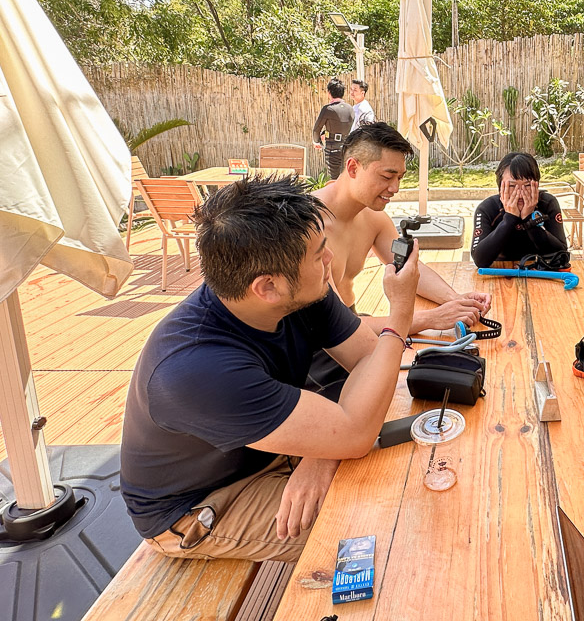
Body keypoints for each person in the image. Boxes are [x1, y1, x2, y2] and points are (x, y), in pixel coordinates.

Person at [119, 176, 420, 563]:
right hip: (198, 503)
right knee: (369, 531)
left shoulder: (300, 288)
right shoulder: (196, 369)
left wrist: (321, 452)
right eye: (319, 255)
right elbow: (357, 429)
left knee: (400, 474)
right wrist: (401, 314)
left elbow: (366, 357)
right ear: (267, 288)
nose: (331, 260)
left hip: (264, 448)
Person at [308, 122, 491, 394]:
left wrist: (455, 300)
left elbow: (408, 270)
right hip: (317, 351)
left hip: (354, 323)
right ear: (353, 168)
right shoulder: (309, 228)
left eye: (400, 177)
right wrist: (429, 318)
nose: (394, 187)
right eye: (387, 175)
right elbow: (331, 325)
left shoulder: (372, 217)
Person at [470, 152, 569, 267]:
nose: (520, 194)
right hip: (499, 272)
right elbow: (479, 259)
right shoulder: (487, 208)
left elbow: (562, 255)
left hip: (539, 271)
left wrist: (529, 220)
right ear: (500, 187)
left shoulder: (548, 203)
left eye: (527, 186)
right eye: (512, 186)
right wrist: (510, 218)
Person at [312, 78, 355, 180]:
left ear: (329, 92)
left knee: (335, 179)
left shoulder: (328, 109)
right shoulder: (350, 108)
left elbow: (316, 129)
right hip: (347, 148)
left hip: (332, 149)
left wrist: (317, 142)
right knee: (346, 178)